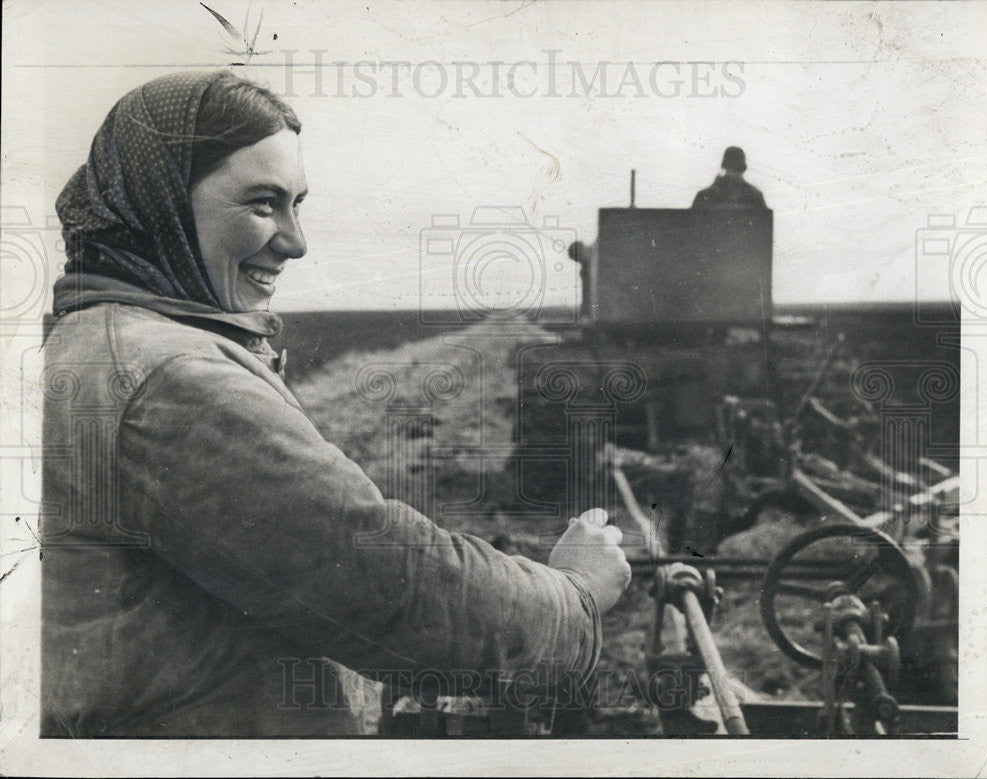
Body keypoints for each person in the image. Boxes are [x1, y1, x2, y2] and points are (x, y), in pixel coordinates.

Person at [41, 70, 630, 737]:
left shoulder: (100, 341)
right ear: (163, 206)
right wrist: (571, 599)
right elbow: (386, 582)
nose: (295, 240)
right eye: (263, 204)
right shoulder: (172, 378)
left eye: (297, 204)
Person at [691, 146, 768, 209]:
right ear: (744, 168)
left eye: (736, 169)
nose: (733, 173)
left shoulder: (705, 196)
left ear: (723, 166)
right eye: (732, 167)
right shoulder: (754, 196)